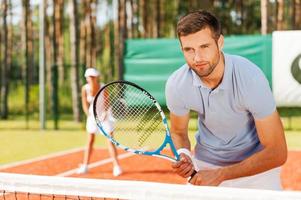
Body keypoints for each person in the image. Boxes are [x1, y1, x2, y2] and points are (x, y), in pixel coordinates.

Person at [165, 10, 287, 190]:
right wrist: (184, 154)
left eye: (204, 47)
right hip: (206, 165)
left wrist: (222, 174)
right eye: (189, 49)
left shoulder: (250, 77)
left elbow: (277, 152)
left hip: (256, 169)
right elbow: (178, 132)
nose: (197, 58)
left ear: (219, 42)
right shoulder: (177, 84)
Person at [77, 67, 122, 176]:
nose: (91, 78)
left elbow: (107, 103)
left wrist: (104, 115)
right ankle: (85, 166)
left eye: (93, 76)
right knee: (90, 141)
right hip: (92, 117)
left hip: (105, 117)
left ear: (96, 77)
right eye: (89, 77)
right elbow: (84, 104)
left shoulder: (103, 87)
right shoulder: (85, 89)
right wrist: (90, 115)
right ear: (87, 78)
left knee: (110, 140)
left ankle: (116, 166)